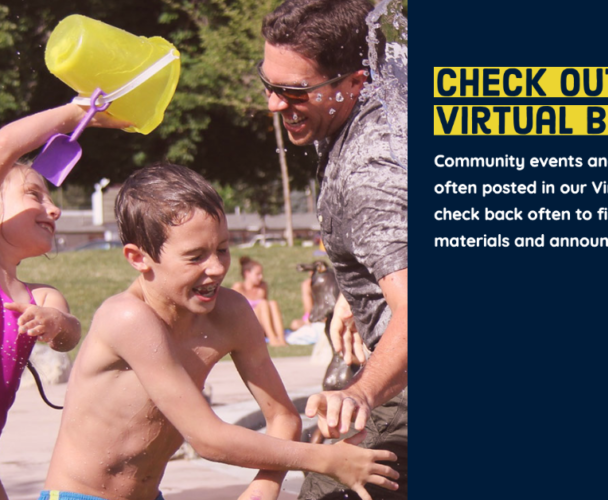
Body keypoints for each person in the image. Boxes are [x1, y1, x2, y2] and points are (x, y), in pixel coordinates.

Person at [41, 163, 399, 500]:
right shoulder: (127, 318)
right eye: (195, 257)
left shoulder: (231, 313)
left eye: (223, 249)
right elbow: (208, 439)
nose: (215, 268)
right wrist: (326, 460)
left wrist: (265, 485)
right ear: (138, 258)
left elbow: (282, 417)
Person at [260, 0, 408, 498]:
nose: (275, 105)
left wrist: (361, 391)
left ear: (354, 82)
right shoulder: (396, 92)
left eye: (295, 92)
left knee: (327, 486)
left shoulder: (368, 175)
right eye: (269, 84)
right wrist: (358, 285)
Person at [0, 103, 126, 500]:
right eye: (34, 195)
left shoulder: (40, 296)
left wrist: (54, 322)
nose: (54, 208)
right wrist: (75, 112)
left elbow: (69, 334)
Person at [232, 255, 288, 345]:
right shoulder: (238, 287)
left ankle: (281, 339)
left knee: (272, 303)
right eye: (257, 274)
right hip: (246, 324)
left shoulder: (262, 287)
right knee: (263, 303)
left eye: (261, 274)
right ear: (247, 274)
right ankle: (272, 339)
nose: (261, 277)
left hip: (261, 326)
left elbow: (266, 312)